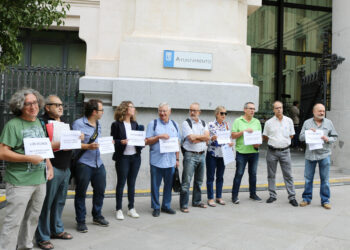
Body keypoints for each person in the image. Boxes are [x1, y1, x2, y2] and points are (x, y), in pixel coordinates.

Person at [0, 88, 54, 250]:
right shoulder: (13, 125)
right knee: (13, 221)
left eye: (35, 102)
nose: (33, 106)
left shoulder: (39, 122)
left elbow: (43, 147)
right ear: (20, 106)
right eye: (28, 104)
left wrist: (49, 166)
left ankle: (25, 246)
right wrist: (28, 158)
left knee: (32, 218)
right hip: (19, 182)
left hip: (39, 179)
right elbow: (2, 152)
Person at [35, 95, 73, 249]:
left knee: (59, 201)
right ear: (47, 107)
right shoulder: (41, 123)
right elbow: (42, 145)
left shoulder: (63, 123)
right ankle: (43, 236)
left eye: (61, 104)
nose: (60, 107)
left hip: (65, 167)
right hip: (52, 168)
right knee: (46, 204)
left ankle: (56, 230)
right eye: (56, 104)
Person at [72, 99, 109, 233]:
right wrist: (87, 146)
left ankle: (97, 215)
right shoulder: (78, 124)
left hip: (98, 163)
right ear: (94, 112)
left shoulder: (98, 124)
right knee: (81, 193)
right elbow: (72, 143)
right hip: (84, 163)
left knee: (100, 190)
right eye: (101, 110)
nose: (103, 112)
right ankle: (81, 220)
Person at [299, 103, 338, 209]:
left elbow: (335, 137)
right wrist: (308, 133)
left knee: (325, 179)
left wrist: (327, 139)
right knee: (308, 179)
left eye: (323, 111)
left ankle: (325, 200)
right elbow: (301, 137)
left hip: (324, 154)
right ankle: (306, 199)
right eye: (319, 111)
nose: (322, 113)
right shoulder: (307, 123)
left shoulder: (329, 123)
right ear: (313, 112)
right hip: (310, 155)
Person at [145, 103, 180, 217]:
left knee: (168, 185)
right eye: (160, 111)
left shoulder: (175, 124)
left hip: (170, 161)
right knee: (155, 186)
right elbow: (146, 141)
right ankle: (156, 207)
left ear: (170, 112)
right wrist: (158, 137)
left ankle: (166, 206)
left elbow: (177, 143)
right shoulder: (153, 124)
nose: (162, 113)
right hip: (156, 161)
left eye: (164, 111)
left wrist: (177, 159)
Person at [111, 101, 143, 220]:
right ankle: (119, 209)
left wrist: (142, 142)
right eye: (132, 107)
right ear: (125, 109)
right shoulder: (116, 124)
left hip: (135, 157)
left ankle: (131, 208)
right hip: (122, 157)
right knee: (121, 183)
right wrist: (121, 142)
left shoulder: (135, 124)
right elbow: (113, 141)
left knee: (132, 183)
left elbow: (138, 139)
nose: (134, 109)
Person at [262, 101, 298, 207]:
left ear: (283, 109)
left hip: (285, 151)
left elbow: (292, 135)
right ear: (273, 109)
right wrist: (275, 141)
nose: (279, 109)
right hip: (272, 151)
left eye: (280, 107)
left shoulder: (289, 121)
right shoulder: (268, 123)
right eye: (277, 108)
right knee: (271, 175)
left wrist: (282, 141)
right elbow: (265, 137)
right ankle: (272, 195)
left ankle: (292, 196)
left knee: (288, 175)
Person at [179, 103, 210, 213]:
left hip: (202, 154)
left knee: (199, 180)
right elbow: (191, 139)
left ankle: (196, 201)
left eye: (195, 110)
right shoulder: (186, 123)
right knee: (186, 181)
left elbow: (208, 137)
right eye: (191, 110)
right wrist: (203, 138)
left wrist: (199, 138)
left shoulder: (203, 123)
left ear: (199, 112)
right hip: (190, 155)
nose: (192, 112)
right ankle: (184, 204)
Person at [231, 102, 262, 204]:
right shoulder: (238, 121)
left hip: (254, 152)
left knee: (253, 174)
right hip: (241, 152)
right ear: (245, 110)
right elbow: (233, 135)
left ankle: (253, 194)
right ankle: (234, 196)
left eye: (254, 109)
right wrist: (244, 131)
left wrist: (257, 144)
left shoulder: (257, 121)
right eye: (250, 108)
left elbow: (259, 137)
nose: (252, 110)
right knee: (239, 174)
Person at [206, 106, 233, 207]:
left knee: (220, 177)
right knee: (210, 177)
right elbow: (207, 140)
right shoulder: (210, 125)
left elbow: (228, 139)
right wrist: (212, 138)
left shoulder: (226, 125)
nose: (224, 115)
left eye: (225, 113)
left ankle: (219, 196)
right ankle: (210, 198)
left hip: (223, 154)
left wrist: (230, 144)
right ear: (217, 114)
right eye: (222, 113)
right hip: (212, 154)